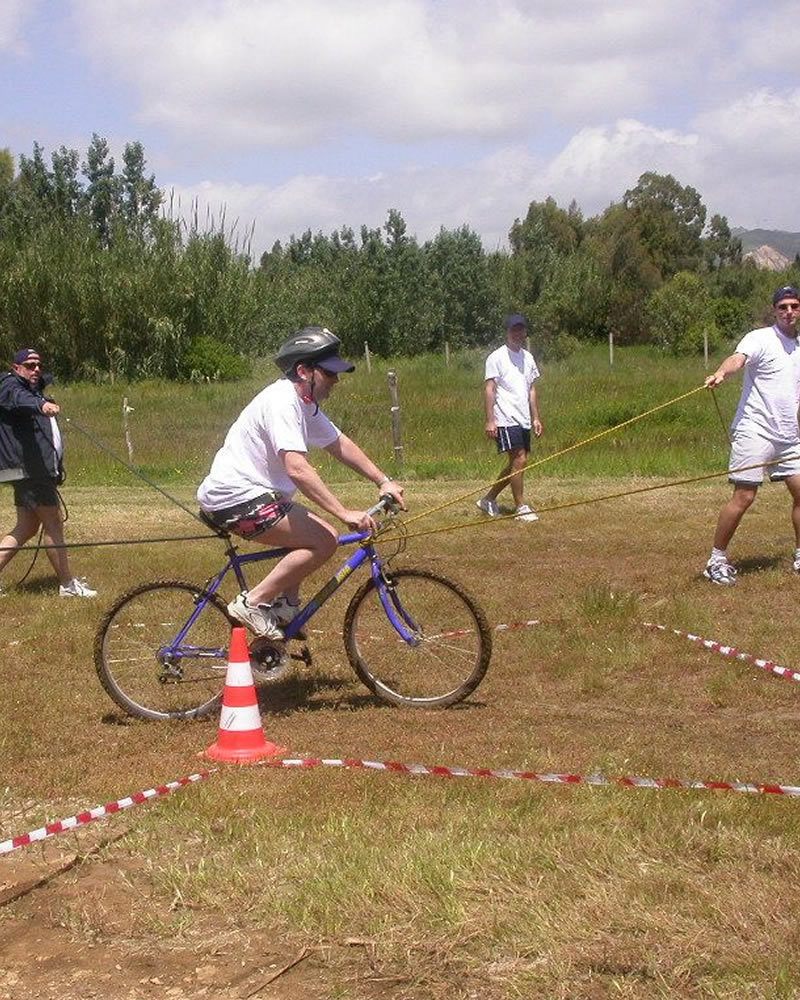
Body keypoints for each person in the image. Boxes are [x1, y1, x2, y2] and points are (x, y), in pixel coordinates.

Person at [197, 326, 405, 638]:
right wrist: (344, 513)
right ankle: (252, 603)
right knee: (325, 539)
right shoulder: (283, 402)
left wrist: (383, 480)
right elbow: (298, 468)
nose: (336, 380)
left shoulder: (305, 405)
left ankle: (284, 608)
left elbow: (340, 444)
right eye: (329, 373)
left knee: (312, 534)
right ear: (303, 371)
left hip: (256, 496)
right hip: (236, 497)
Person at [702, 285, 800, 585]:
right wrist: (721, 372)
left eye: (794, 306)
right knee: (744, 495)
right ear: (774, 310)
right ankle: (716, 561)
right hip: (755, 428)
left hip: (790, 435)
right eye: (783, 306)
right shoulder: (759, 338)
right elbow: (738, 359)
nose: (789, 312)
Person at [0, 348, 96, 597]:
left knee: (26, 527)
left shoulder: (31, 389)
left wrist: (41, 395)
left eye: (38, 365)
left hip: (30, 471)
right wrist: (42, 404)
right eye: (30, 365)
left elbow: (33, 391)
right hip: (31, 471)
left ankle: (67, 583)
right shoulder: (10, 386)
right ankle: (67, 585)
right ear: (16, 367)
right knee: (53, 523)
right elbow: (20, 399)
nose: (36, 369)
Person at [476, 313, 543, 523]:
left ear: (525, 332)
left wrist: (536, 418)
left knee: (517, 462)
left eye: (521, 330)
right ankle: (520, 506)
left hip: (523, 418)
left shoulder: (528, 358)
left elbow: (531, 389)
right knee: (520, 458)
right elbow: (490, 389)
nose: (518, 334)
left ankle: (488, 499)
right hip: (505, 418)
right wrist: (490, 420)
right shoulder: (496, 357)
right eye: (514, 329)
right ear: (507, 332)